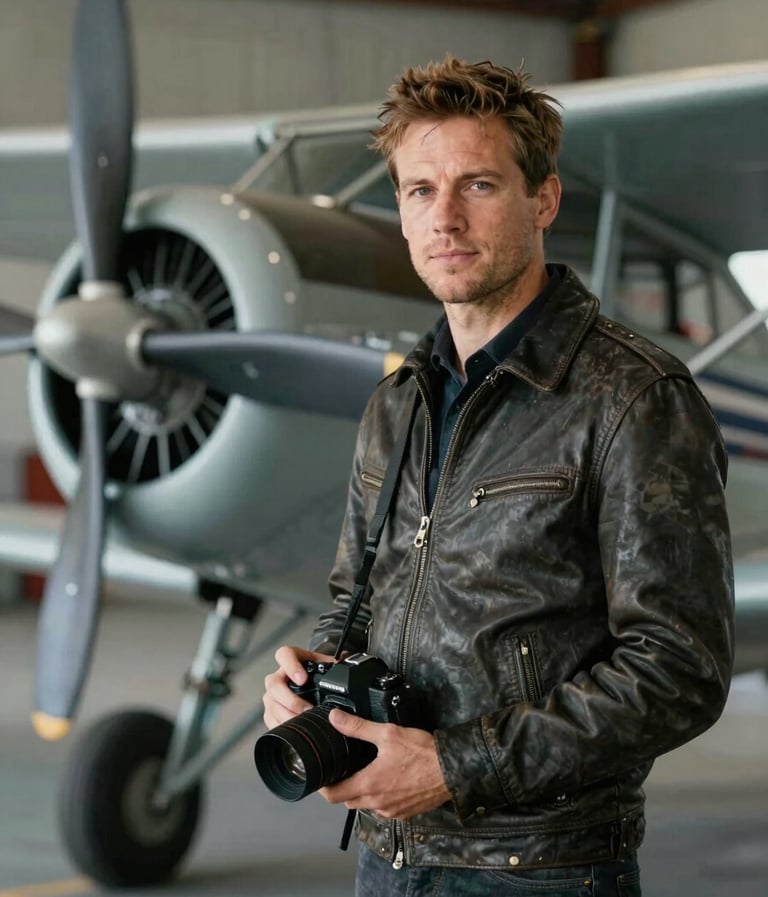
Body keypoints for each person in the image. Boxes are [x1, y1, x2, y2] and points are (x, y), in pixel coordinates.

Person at [262, 55, 734, 896]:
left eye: (477, 185)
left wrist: (455, 765)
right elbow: (356, 599)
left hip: (541, 870)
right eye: (419, 190)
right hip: (387, 858)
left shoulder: (632, 397)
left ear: (543, 200)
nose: (444, 217)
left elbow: (679, 668)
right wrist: (312, 676)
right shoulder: (397, 403)